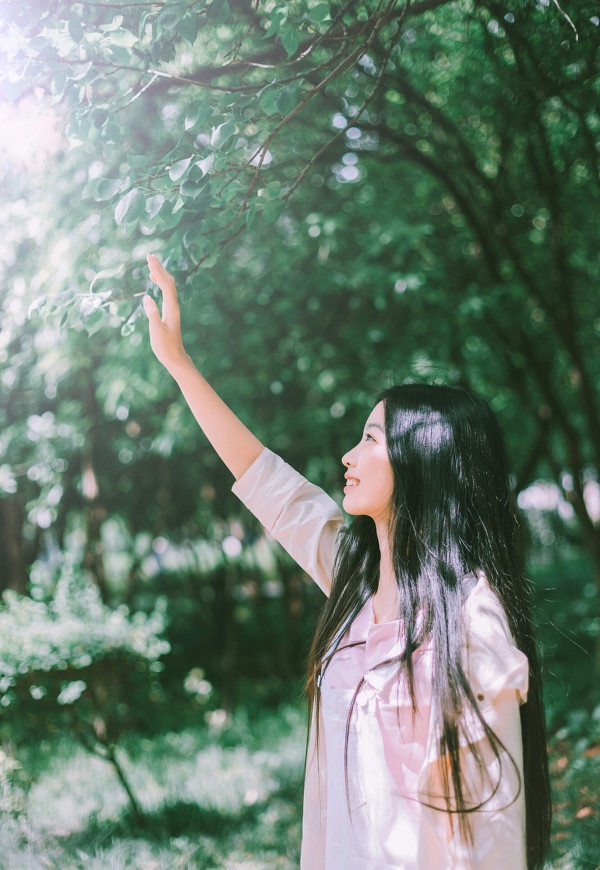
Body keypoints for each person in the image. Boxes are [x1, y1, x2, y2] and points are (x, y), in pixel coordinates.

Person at [143, 254, 551, 869]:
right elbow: (263, 478)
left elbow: (493, 841)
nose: (348, 454)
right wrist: (179, 363)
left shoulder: (474, 624)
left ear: (423, 460)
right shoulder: (353, 580)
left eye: (370, 438)